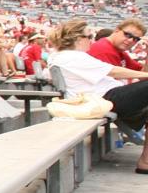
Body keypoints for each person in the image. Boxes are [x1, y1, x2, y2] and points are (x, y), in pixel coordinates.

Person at [47, 20, 148, 174]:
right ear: (78, 38)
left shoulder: (66, 56)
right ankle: (145, 162)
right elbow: (114, 71)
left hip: (107, 96)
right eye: (89, 36)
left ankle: (145, 162)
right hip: (106, 97)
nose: (92, 40)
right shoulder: (72, 56)